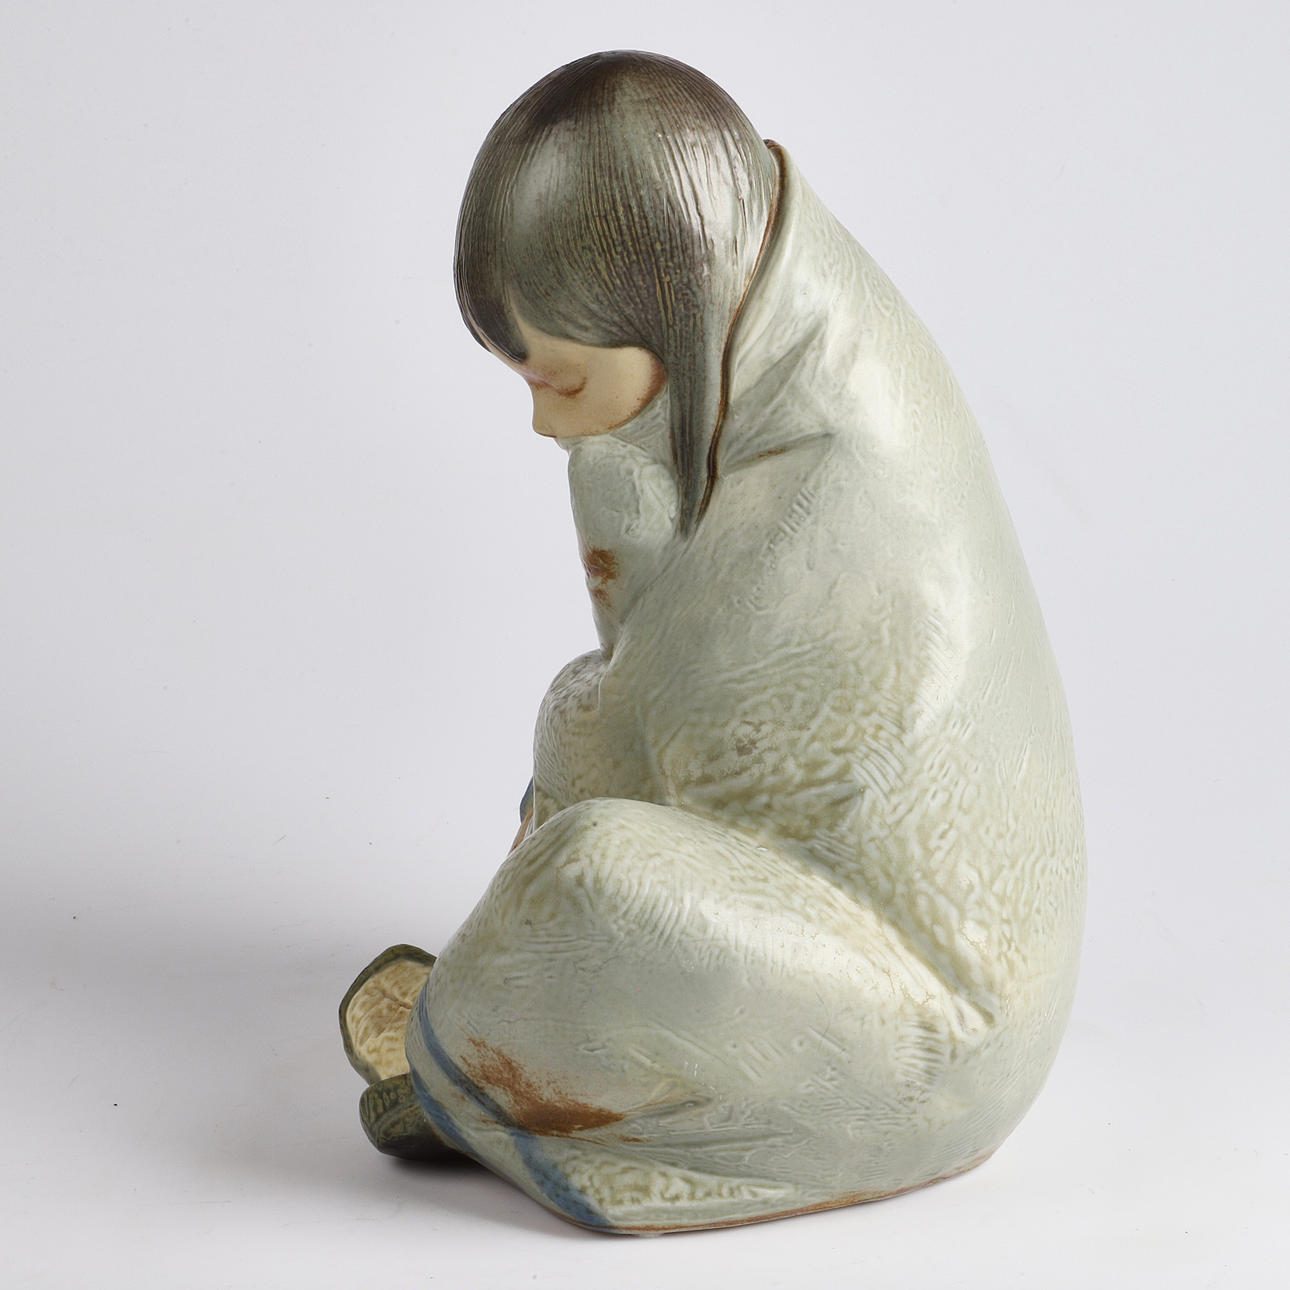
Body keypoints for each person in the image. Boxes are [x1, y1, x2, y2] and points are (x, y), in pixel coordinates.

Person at [340, 50, 1085, 1234]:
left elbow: (643, 742)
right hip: (861, 917)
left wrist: (459, 1024)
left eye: (560, 379)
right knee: (581, 724)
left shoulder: (820, 483)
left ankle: (472, 1081)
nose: (539, 418)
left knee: (591, 875)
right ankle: (541, 1046)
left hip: (933, 1027)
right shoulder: (769, 311)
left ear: (672, 304)